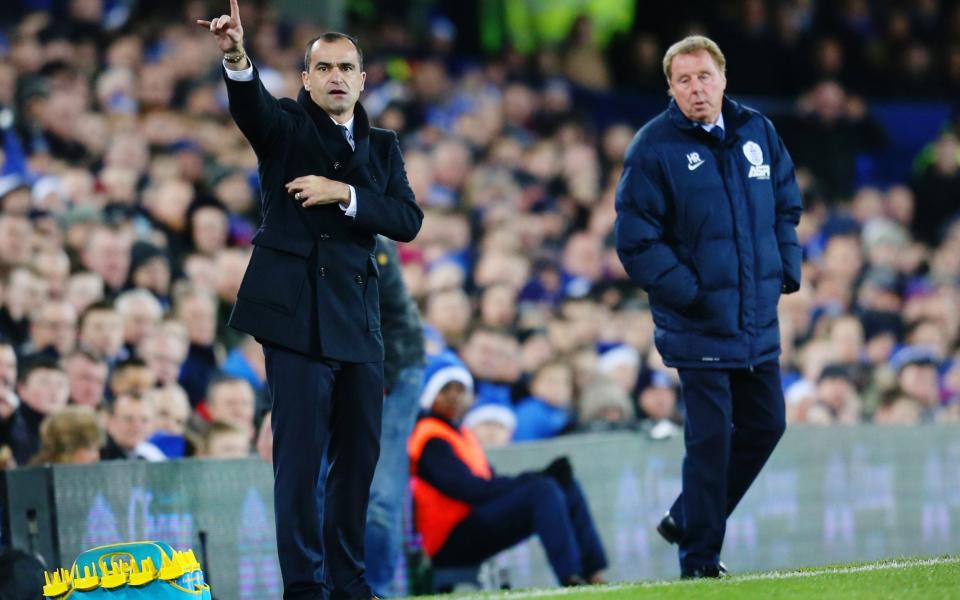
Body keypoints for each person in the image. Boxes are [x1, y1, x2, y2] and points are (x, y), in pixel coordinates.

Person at [198, 2, 423, 598]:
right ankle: (304, 587)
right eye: (323, 68)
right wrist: (236, 58)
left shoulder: (383, 145)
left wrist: (341, 192)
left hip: (358, 321)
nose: (336, 78)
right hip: (296, 317)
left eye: (346, 67)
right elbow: (253, 113)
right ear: (305, 78)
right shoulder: (288, 128)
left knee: (359, 464)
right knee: (298, 464)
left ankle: (350, 586)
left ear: (362, 78)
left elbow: (407, 220)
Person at [614, 35, 802, 578]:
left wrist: (785, 270)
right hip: (697, 323)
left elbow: (786, 206)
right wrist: (690, 294)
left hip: (754, 316)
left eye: (704, 76)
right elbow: (635, 240)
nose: (696, 88)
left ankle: (686, 516)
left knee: (767, 426)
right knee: (711, 439)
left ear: (723, 77)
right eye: (683, 80)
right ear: (670, 88)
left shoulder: (758, 131)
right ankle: (699, 562)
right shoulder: (653, 147)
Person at [409, 352, 607, 587]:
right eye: (446, 390)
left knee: (563, 485)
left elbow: (488, 483)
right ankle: (571, 577)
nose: (454, 397)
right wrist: (532, 479)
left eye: (460, 390)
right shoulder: (430, 435)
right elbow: (469, 489)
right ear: (429, 395)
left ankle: (593, 572)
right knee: (541, 490)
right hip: (448, 540)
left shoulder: (460, 433)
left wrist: (536, 478)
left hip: (471, 523)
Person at [364, 235, 426, 598]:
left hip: (395, 370)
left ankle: (380, 591)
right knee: (322, 493)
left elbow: (382, 318)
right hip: (341, 378)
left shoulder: (374, 245)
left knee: (379, 500)